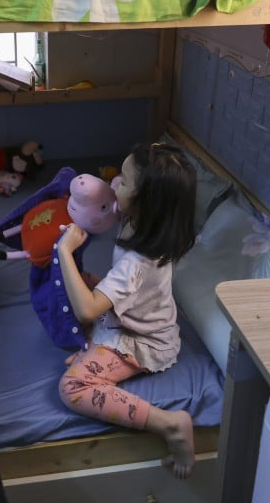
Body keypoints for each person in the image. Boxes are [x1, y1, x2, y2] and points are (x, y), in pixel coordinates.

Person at [55, 142, 198, 478]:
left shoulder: (138, 262)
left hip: (143, 340)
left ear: (146, 202)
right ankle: (100, 350)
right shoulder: (138, 221)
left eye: (125, 180)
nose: (115, 181)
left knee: (72, 387)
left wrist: (65, 252)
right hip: (127, 320)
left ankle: (170, 424)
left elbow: (87, 312)